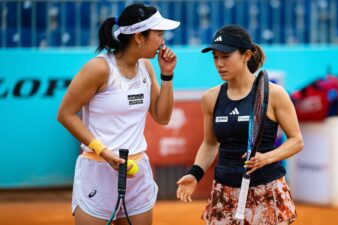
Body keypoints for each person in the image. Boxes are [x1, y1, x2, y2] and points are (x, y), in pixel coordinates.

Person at [57, 3, 179, 225]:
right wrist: (102, 151)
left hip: (137, 171)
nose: (163, 41)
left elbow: (162, 117)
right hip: (98, 169)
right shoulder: (99, 69)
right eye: (159, 34)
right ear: (139, 37)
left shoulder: (147, 67)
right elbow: (65, 114)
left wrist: (167, 75)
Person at [176, 25, 304, 225]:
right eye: (215, 57)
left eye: (225, 57)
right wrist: (195, 174)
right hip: (224, 191)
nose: (219, 64)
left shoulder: (275, 94)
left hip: (266, 190)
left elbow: (296, 141)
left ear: (246, 55)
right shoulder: (210, 97)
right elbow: (210, 143)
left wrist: (266, 158)